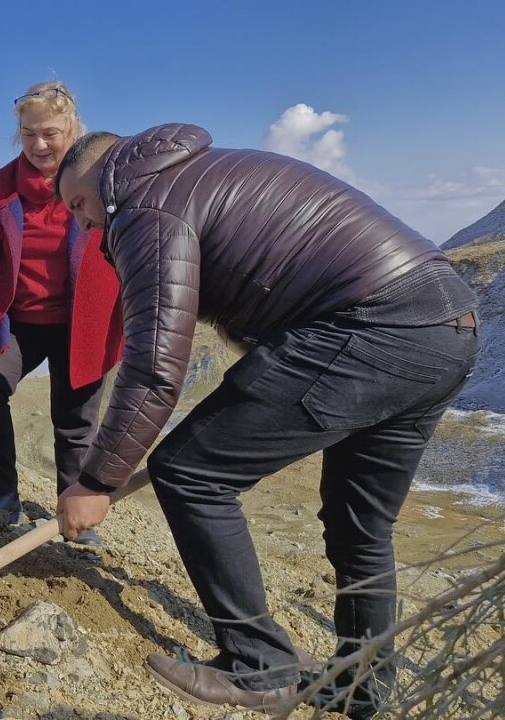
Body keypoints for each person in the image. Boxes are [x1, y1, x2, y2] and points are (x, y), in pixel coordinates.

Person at [54, 124, 480, 718]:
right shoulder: (193, 172)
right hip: (447, 323)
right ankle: (361, 686)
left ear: (105, 171)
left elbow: (154, 364)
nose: (83, 224)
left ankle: (260, 667)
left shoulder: (142, 203)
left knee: (187, 470)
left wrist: (95, 481)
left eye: (78, 203)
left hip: (371, 324)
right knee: (360, 523)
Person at [0, 80, 122, 538]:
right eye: (29, 134)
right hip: (17, 319)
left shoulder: (100, 178)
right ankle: (3, 494)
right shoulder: (2, 187)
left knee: (75, 418)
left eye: (50, 133)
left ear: (72, 128)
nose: (40, 145)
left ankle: (72, 512)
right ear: (17, 134)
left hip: (81, 322)